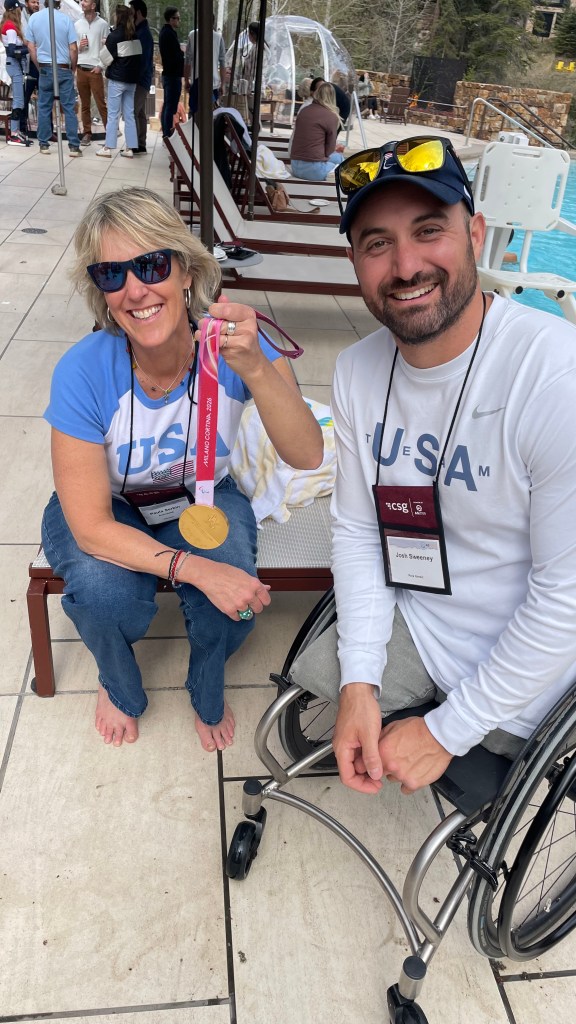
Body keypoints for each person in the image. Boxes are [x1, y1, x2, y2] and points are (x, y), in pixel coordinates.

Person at [288, 135, 576, 797]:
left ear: (476, 233)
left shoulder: (553, 377)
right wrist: (360, 680)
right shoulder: (360, 371)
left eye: (428, 230)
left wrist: (449, 729)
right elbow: (361, 532)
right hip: (418, 624)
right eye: (376, 243)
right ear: (356, 261)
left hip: (531, 668)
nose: (406, 264)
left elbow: (565, 601)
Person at [41, 186, 323, 752]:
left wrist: (260, 370)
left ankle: (205, 680)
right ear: (101, 291)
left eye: (150, 264)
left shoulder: (235, 348)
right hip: (113, 504)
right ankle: (118, 685)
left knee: (235, 593)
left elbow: (307, 454)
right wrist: (193, 570)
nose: (136, 289)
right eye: (112, 274)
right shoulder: (84, 371)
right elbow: (93, 527)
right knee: (102, 592)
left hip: (199, 497)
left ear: (187, 272)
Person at [25, 0, 81, 156]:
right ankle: (74, 146)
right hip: (63, 67)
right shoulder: (66, 20)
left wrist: (38, 65)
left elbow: (30, 46)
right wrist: (73, 68)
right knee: (69, 107)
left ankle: (43, 143)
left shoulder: (34, 19)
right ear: (59, 3)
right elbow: (73, 48)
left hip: (45, 67)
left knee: (44, 106)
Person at [96, 3, 141, 159]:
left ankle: (108, 147)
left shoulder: (114, 35)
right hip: (132, 81)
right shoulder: (134, 35)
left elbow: (105, 58)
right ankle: (130, 148)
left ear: (118, 17)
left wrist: (105, 44)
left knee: (113, 114)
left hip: (117, 79)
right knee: (129, 114)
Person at [290, 82, 343, 182]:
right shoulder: (331, 116)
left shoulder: (304, 110)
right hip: (314, 170)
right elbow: (329, 151)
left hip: (295, 166)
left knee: (335, 159)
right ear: (332, 97)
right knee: (340, 160)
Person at [74, 0, 108, 148]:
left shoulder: (103, 24)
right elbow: (73, 48)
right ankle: (87, 133)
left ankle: (110, 133)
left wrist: (101, 66)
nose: (82, 3)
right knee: (84, 104)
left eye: (85, 1)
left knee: (101, 103)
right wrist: (79, 47)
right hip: (81, 68)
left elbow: (107, 48)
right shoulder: (77, 24)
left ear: (93, 5)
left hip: (95, 69)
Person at [184, 14, 225, 117]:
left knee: (194, 112)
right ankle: (208, 132)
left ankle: (194, 131)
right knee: (211, 113)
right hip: (213, 83)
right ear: (213, 22)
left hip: (196, 81)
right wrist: (223, 84)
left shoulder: (192, 35)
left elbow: (188, 60)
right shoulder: (218, 38)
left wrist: (186, 80)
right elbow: (223, 62)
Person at [1, 0, 30, 147]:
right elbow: (12, 51)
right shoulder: (10, 27)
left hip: (14, 65)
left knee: (19, 99)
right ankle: (13, 134)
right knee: (18, 100)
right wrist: (29, 49)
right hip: (14, 64)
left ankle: (16, 131)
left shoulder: (9, 26)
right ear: (15, 10)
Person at [129, 0, 153, 154]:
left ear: (137, 12)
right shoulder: (140, 31)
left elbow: (142, 60)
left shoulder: (143, 34)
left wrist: (133, 77)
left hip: (140, 79)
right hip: (141, 78)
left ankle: (135, 144)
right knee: (140, 112)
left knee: (132, 111)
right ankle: (141, 142)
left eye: (131, 11)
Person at [158, 5, 183, 139]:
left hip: (170, 73)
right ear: (170, 19)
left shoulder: (166, 32)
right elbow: (174, 55)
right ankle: (167, 133)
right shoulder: (168, 34)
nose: (178, 20)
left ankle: (166, 132)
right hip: (172, 74)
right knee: (169, 105)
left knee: (169, 104)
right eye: (176, 18)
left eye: (179, 18)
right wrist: (181, 55)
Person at [17, 0, 40, 139]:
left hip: (40, 62)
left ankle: (47, 130)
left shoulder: (40, 18)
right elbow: (23, 39)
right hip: (28, 63)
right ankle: (22, 128)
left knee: (45, 97)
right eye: (33, 2)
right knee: (24, 97)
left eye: (38, 2)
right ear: (26, 3)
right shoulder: (21, 17)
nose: (36, 5)